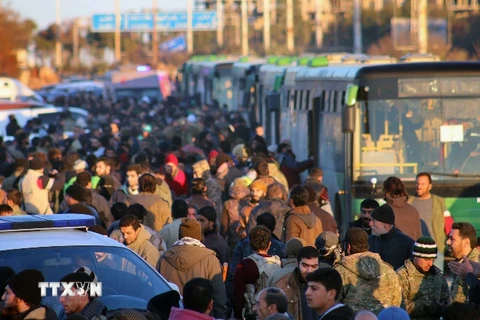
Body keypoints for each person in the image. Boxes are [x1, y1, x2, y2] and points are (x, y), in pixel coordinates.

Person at [157, 218, 226, 319]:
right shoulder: (210, 260)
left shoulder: (164, 259)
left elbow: (156, 292)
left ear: (180, 235)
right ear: (199, 236)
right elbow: (219, 298)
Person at [334, 228, 402, 314]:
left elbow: (334, 306)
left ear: (348, 247)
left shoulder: (340, 272)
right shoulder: (389, 271)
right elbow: (396, 304)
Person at [233, 225, 281, 320]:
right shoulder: (279, 263)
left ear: (250, 244)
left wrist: (238, 315)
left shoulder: (245, 265)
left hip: (252, 314)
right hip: (275, 314)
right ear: (269, 244)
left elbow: (238, 294)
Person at [396, 236, 450, 319]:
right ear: (416, 256)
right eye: (427, 259)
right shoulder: (402, 275)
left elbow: (446, 300)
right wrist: (425, 305)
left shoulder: (438, 276)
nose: (430, 264)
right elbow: (397, 306)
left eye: (433, 260)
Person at [408, 172, 448, 271]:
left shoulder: (439, 202)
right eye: (417, 183)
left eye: (422, 184)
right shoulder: (409, 201)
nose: (419, 186)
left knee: (437, 278)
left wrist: (449, 240)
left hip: (436, 248)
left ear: (430, 186)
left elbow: (448, 222)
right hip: (415, 249)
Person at [270, 246, 320, 320]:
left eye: (314, 266)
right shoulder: (281, 285)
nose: (309, 271)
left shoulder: (325, 286)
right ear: (297, 264)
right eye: (305, 266)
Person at [368, 204, 415, 270]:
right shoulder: (369, 241)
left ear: (386, 224)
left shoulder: (407, 243)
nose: (370, 224)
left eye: (373, 221)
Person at [446, 222, 479, 303]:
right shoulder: (461, 263)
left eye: (452, 239)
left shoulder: (475, 265)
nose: (448, 242)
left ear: (466, 242)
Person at [382, 176, 421, 240]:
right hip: (411, 248)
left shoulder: (382, 211)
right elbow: (419, 236)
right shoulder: (413, 210)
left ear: (385, 190)